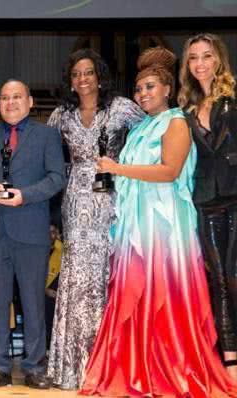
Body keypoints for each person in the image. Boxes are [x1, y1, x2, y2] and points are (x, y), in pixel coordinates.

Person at [81, 47, 237, 397]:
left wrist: (117, 168)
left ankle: (172, 366)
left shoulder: (177, 121)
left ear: (167, 88)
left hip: (164, 223)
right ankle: (139, 365)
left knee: (163, 290)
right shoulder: (142, 127)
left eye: (150, 87)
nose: (143, 94)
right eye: (139, 90)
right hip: (139, 221)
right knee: (136, 290)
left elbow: (169, 171)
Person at [45, 48, 145, 389]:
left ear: (99, 76)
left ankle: (113, 365)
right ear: (70, 83)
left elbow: (153, 135)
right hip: (75, 199)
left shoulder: (123, 109)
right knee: (76, 276)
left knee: (110, 272)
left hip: (114, 198)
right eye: (76, 74)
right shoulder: (61, 115)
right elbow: (41, 151)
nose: (82, 79)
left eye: (88, 72)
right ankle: (74, 367)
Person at [0, 79, 65, 390]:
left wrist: (25, 195)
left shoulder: (47, 135)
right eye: (5, 98)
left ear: (30, 102)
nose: (11, 103)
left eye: (17, 97)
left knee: (33, 301)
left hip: (32, 230)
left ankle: (34, 367)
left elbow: (57, 178)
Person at [178, 33, 237, 381]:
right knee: (217, 280)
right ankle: (229, 357)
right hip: (205, 200)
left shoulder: (234, 99)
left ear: (219, 60)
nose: (200, 63)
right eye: (193, 58)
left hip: (236, 194)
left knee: (234, 278)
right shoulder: (184, 109)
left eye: (207, 56)